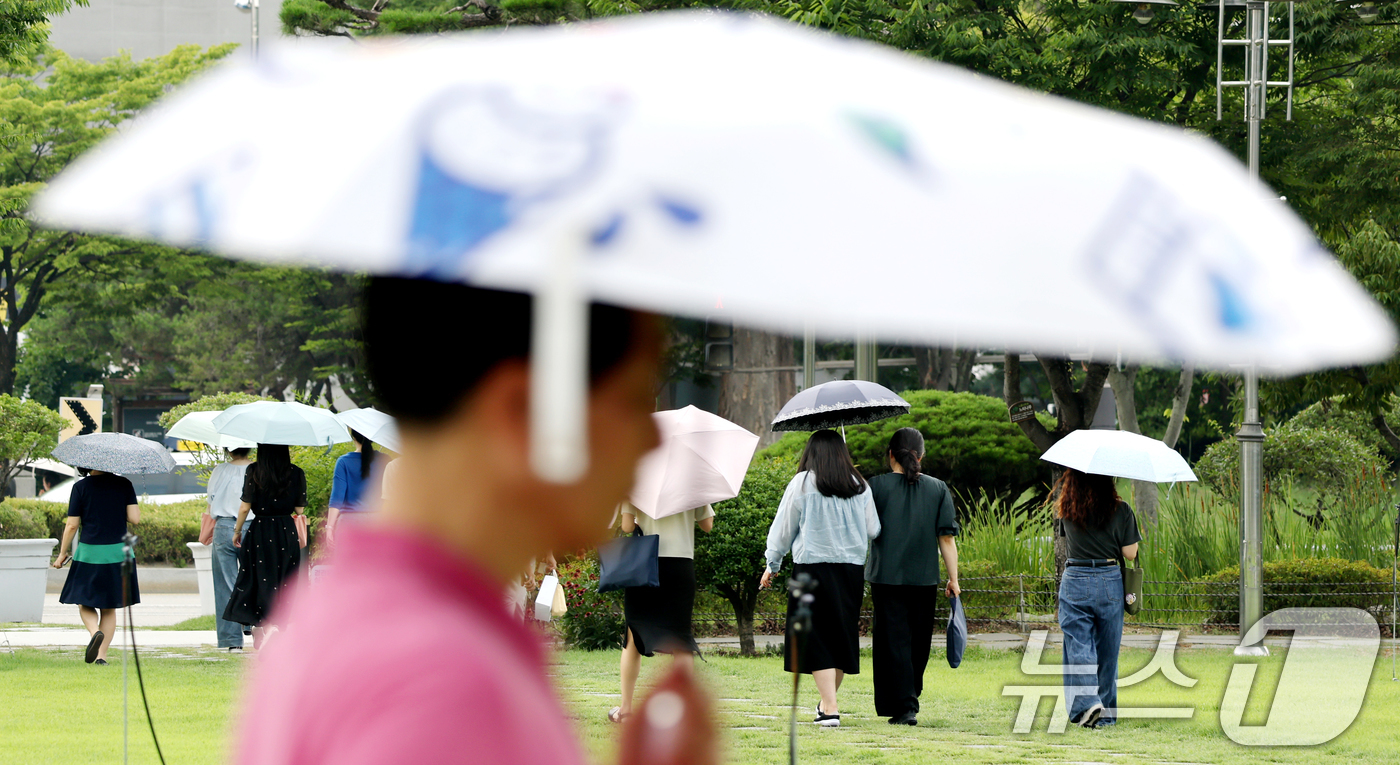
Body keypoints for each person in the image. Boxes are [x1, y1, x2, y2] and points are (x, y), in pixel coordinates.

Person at [235, 278, 715, 765]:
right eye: (631, 402)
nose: (650, 443)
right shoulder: (452, 679)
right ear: (521, 410)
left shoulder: (344, 619)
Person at [760, 429, 880, 728]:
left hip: (811, 569)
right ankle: (827, 704)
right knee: (840, 636)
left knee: (815, 638)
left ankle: (830, 708)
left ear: (811, 453)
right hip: (850, 571)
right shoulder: (859, 485)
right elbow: (873, 529)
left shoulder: (802, 483)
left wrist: (772, 563)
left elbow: (783, 528)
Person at [865, 428, 960, 726]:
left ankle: (903, 703)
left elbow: (865, 529)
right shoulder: (938, 488)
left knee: (891, 640)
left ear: (890, 455)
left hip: (885, 576)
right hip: (924, 578)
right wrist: (953, 579)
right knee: (919, 641)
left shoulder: (874, 487)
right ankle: (909, 700)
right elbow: (946, 538)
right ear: (920, 456)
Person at [609, 500, 715, 724]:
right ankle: (683, 712)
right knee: (681, 638)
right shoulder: (692, 480)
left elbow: (627, 527)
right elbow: (707, 524)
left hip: (644, 561)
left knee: (633, 635)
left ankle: (626, 710)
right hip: (681, 565)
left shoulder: (637, 476)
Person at [1056, 468, 1141, 729]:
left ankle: (1087, 704)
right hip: (1108, 579)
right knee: (1108, 651)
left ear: (1073, 480)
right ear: (1108, 479)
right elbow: (1129, 553)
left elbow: (1065, 541)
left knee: (1078, 643)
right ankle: (1104, 715)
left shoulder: (1067, 508)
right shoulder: (1121, 509)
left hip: (1076, 577)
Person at [51, 467, 141, 665]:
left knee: (84, 602)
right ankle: (101, 657)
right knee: (109, 608)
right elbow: (135, 518)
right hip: (119, 553)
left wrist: (62, 553)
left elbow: (72, 525)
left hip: (90, 553)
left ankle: (95, 632)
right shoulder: (124, 484)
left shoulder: (80, 487)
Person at [224, 443, 307, 650]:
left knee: (261, 578)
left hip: (260, 530)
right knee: (285, 579)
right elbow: (299, 507)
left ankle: (267, 626)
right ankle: (278, 626)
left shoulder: (254, 470)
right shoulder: (296, 472)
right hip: (286, 530)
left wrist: (237, 531)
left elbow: (244, 507)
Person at [207, 447, 253, 650]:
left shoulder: (220, 470)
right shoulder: (257, 469)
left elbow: (211, 499)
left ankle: (230, 641)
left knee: (224, 584)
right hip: (253, 525)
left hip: (224, 526)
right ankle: (251, 622)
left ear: (227, 449)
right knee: (253, 579)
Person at [326, 429, 380, 543]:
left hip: (350, 524)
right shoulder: (384, 460)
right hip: (379, 523)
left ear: (353, 437)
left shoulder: (343, 462)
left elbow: (337, 498)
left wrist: (329, 527)